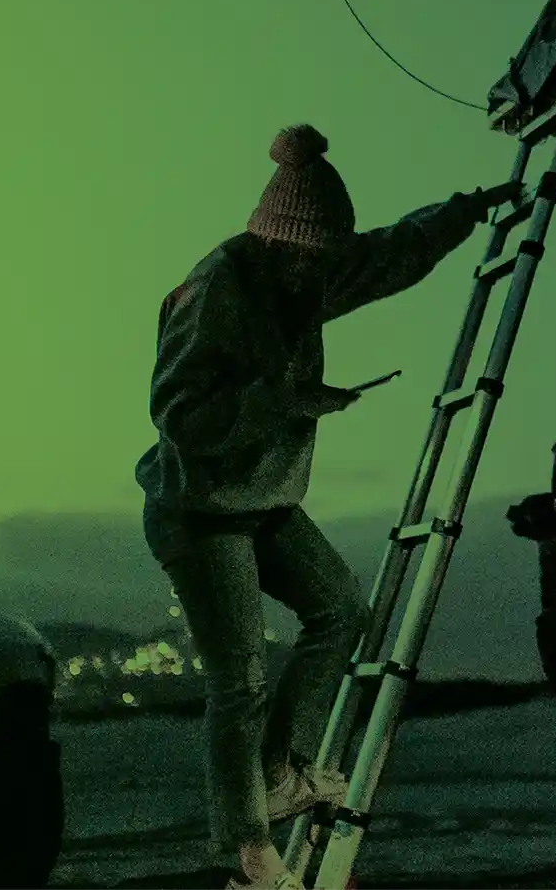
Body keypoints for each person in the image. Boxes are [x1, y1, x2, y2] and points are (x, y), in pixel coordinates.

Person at [138, 123, 519, 890]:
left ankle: (279, 772)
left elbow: (388, 254)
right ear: (278, 244)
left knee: (343, 609)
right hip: (200, 509)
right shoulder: (215, 292)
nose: (322, 276)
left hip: (267, 500)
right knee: (238, 679)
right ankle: (250, 849)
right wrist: (277, 399)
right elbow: (177, 413)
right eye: (312, 260)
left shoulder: (307, 273)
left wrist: (467, 209)